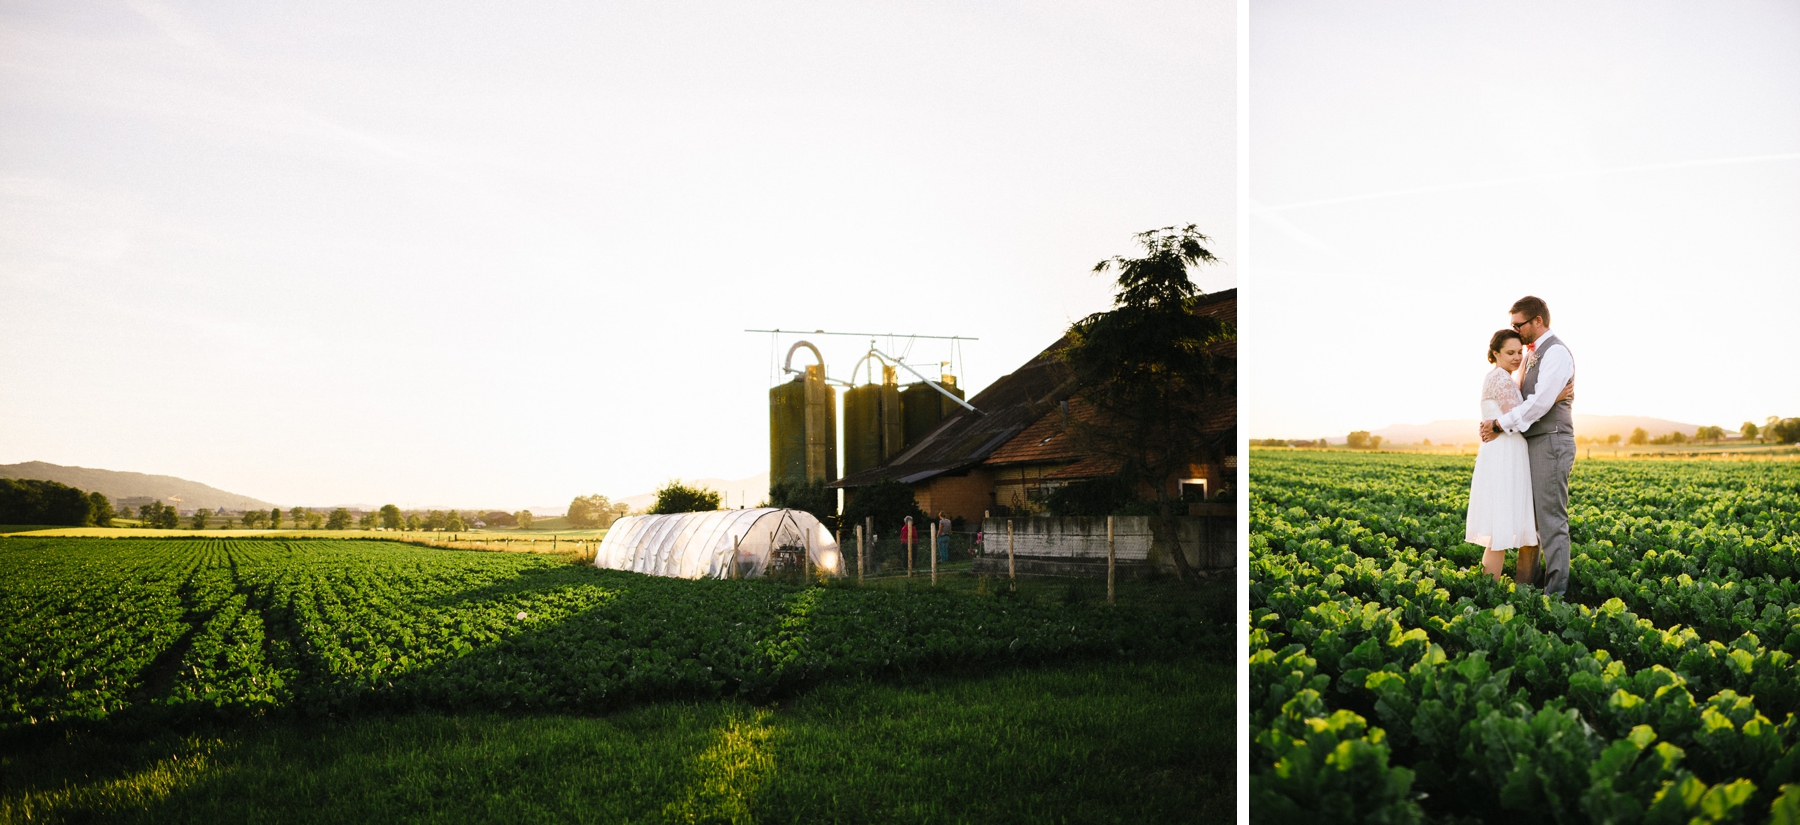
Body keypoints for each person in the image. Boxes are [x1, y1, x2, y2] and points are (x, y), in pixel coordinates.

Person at [1480, 296, 1576, 594]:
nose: (1515, 329)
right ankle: (1526, 588)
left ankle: (1554, 594)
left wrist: (1498, 424)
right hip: (1529, 444)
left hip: (1551, 441)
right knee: (1529, 520)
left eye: (1518, 324)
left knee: (1550, 520)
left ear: (1537, 321)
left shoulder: (1556, 352)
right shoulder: (1529, 357)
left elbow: (1537, 404)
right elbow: (1528, 400)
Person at [1465, 329, 1560, 581]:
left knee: (1500, 530)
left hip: (1504, 451)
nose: (1517, 357)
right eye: (1510, 352)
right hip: (1504, 455)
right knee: (1499, 530)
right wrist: (1556, 396)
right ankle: (1487, 590)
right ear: (1495, 353)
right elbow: (1521, 418)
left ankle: (1487, 587)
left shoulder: (1502, 378)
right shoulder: (1501, 378)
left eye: (1520, 352)